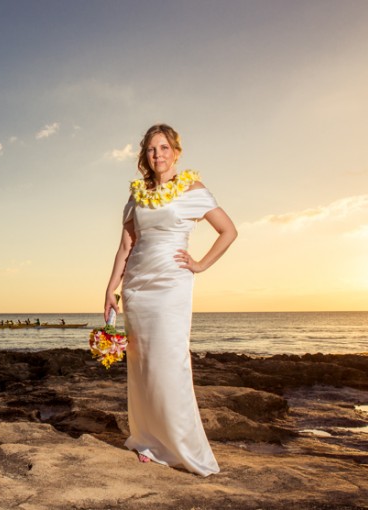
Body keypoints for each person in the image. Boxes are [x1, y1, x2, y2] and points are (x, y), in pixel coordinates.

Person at [104, 123, 237, 477]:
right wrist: (111, 288)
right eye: (151, 149)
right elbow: (126, 245)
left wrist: (200, 264)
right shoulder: (137, 194)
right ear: (144, 156)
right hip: (137, 286)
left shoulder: (192, 189)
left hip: (171, 284)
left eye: (163, 148)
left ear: (175, 152)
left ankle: (181, 446)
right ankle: (148, 439)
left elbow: (229, 231)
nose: (157, 155)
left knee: (170, 361)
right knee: (143, 364)